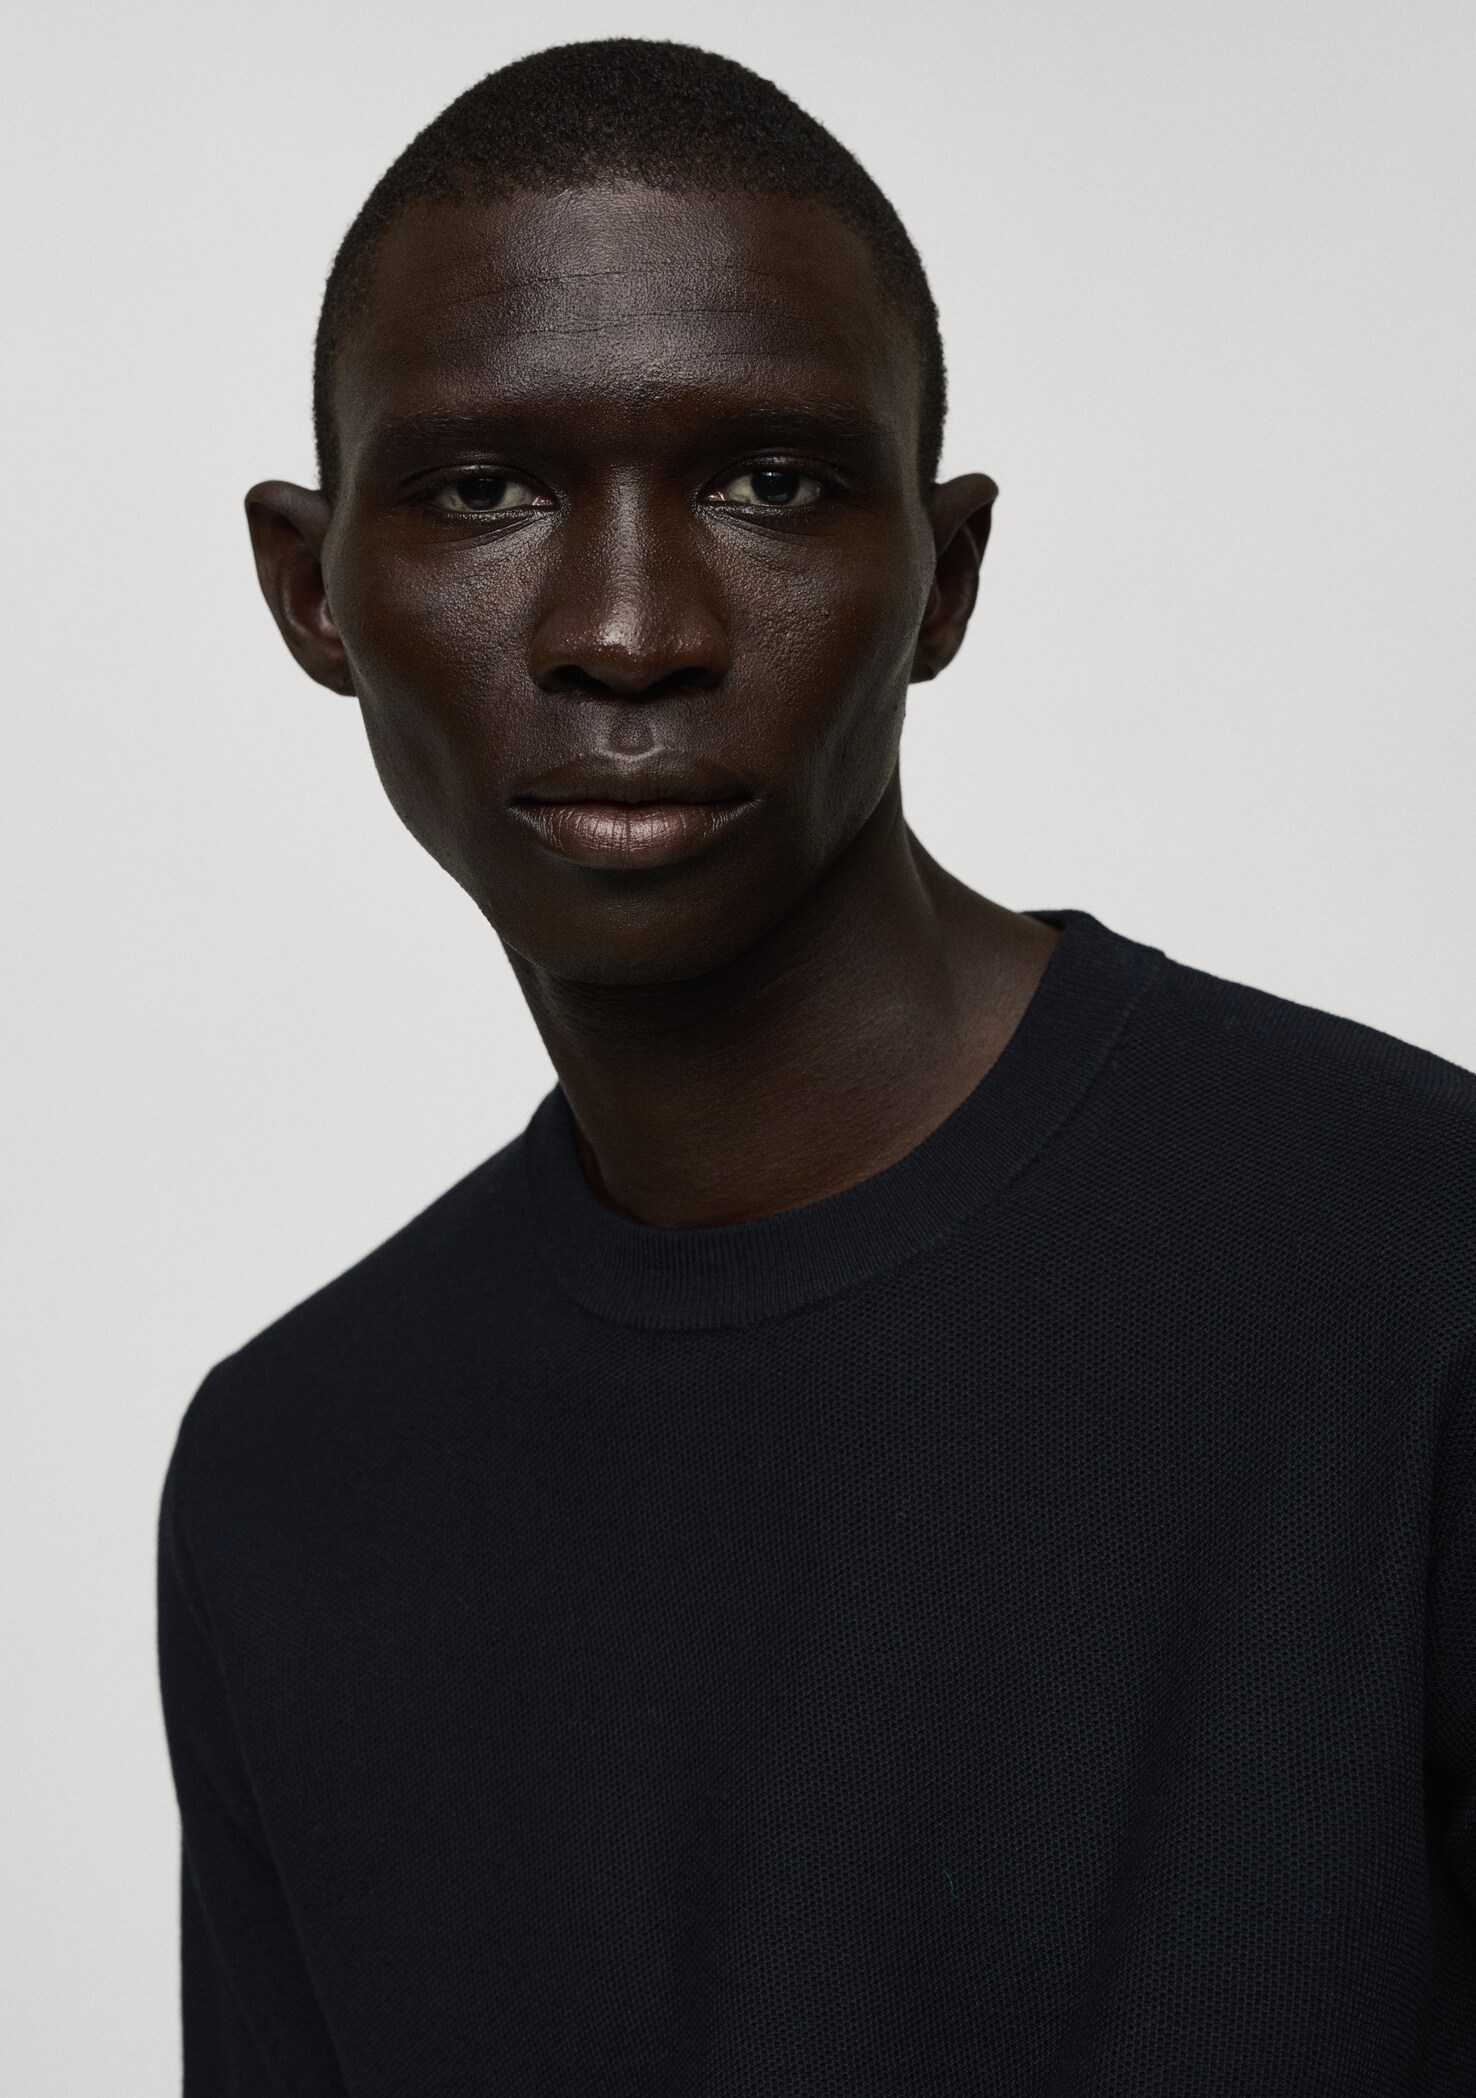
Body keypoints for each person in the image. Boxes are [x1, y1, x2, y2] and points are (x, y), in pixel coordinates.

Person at [157, 36, 1476, 2095]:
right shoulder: (293, 1479)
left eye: (768, 483)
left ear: (944, 576)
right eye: (486, 490)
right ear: (309, 591)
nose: (628, 629)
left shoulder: (1420, 1281)